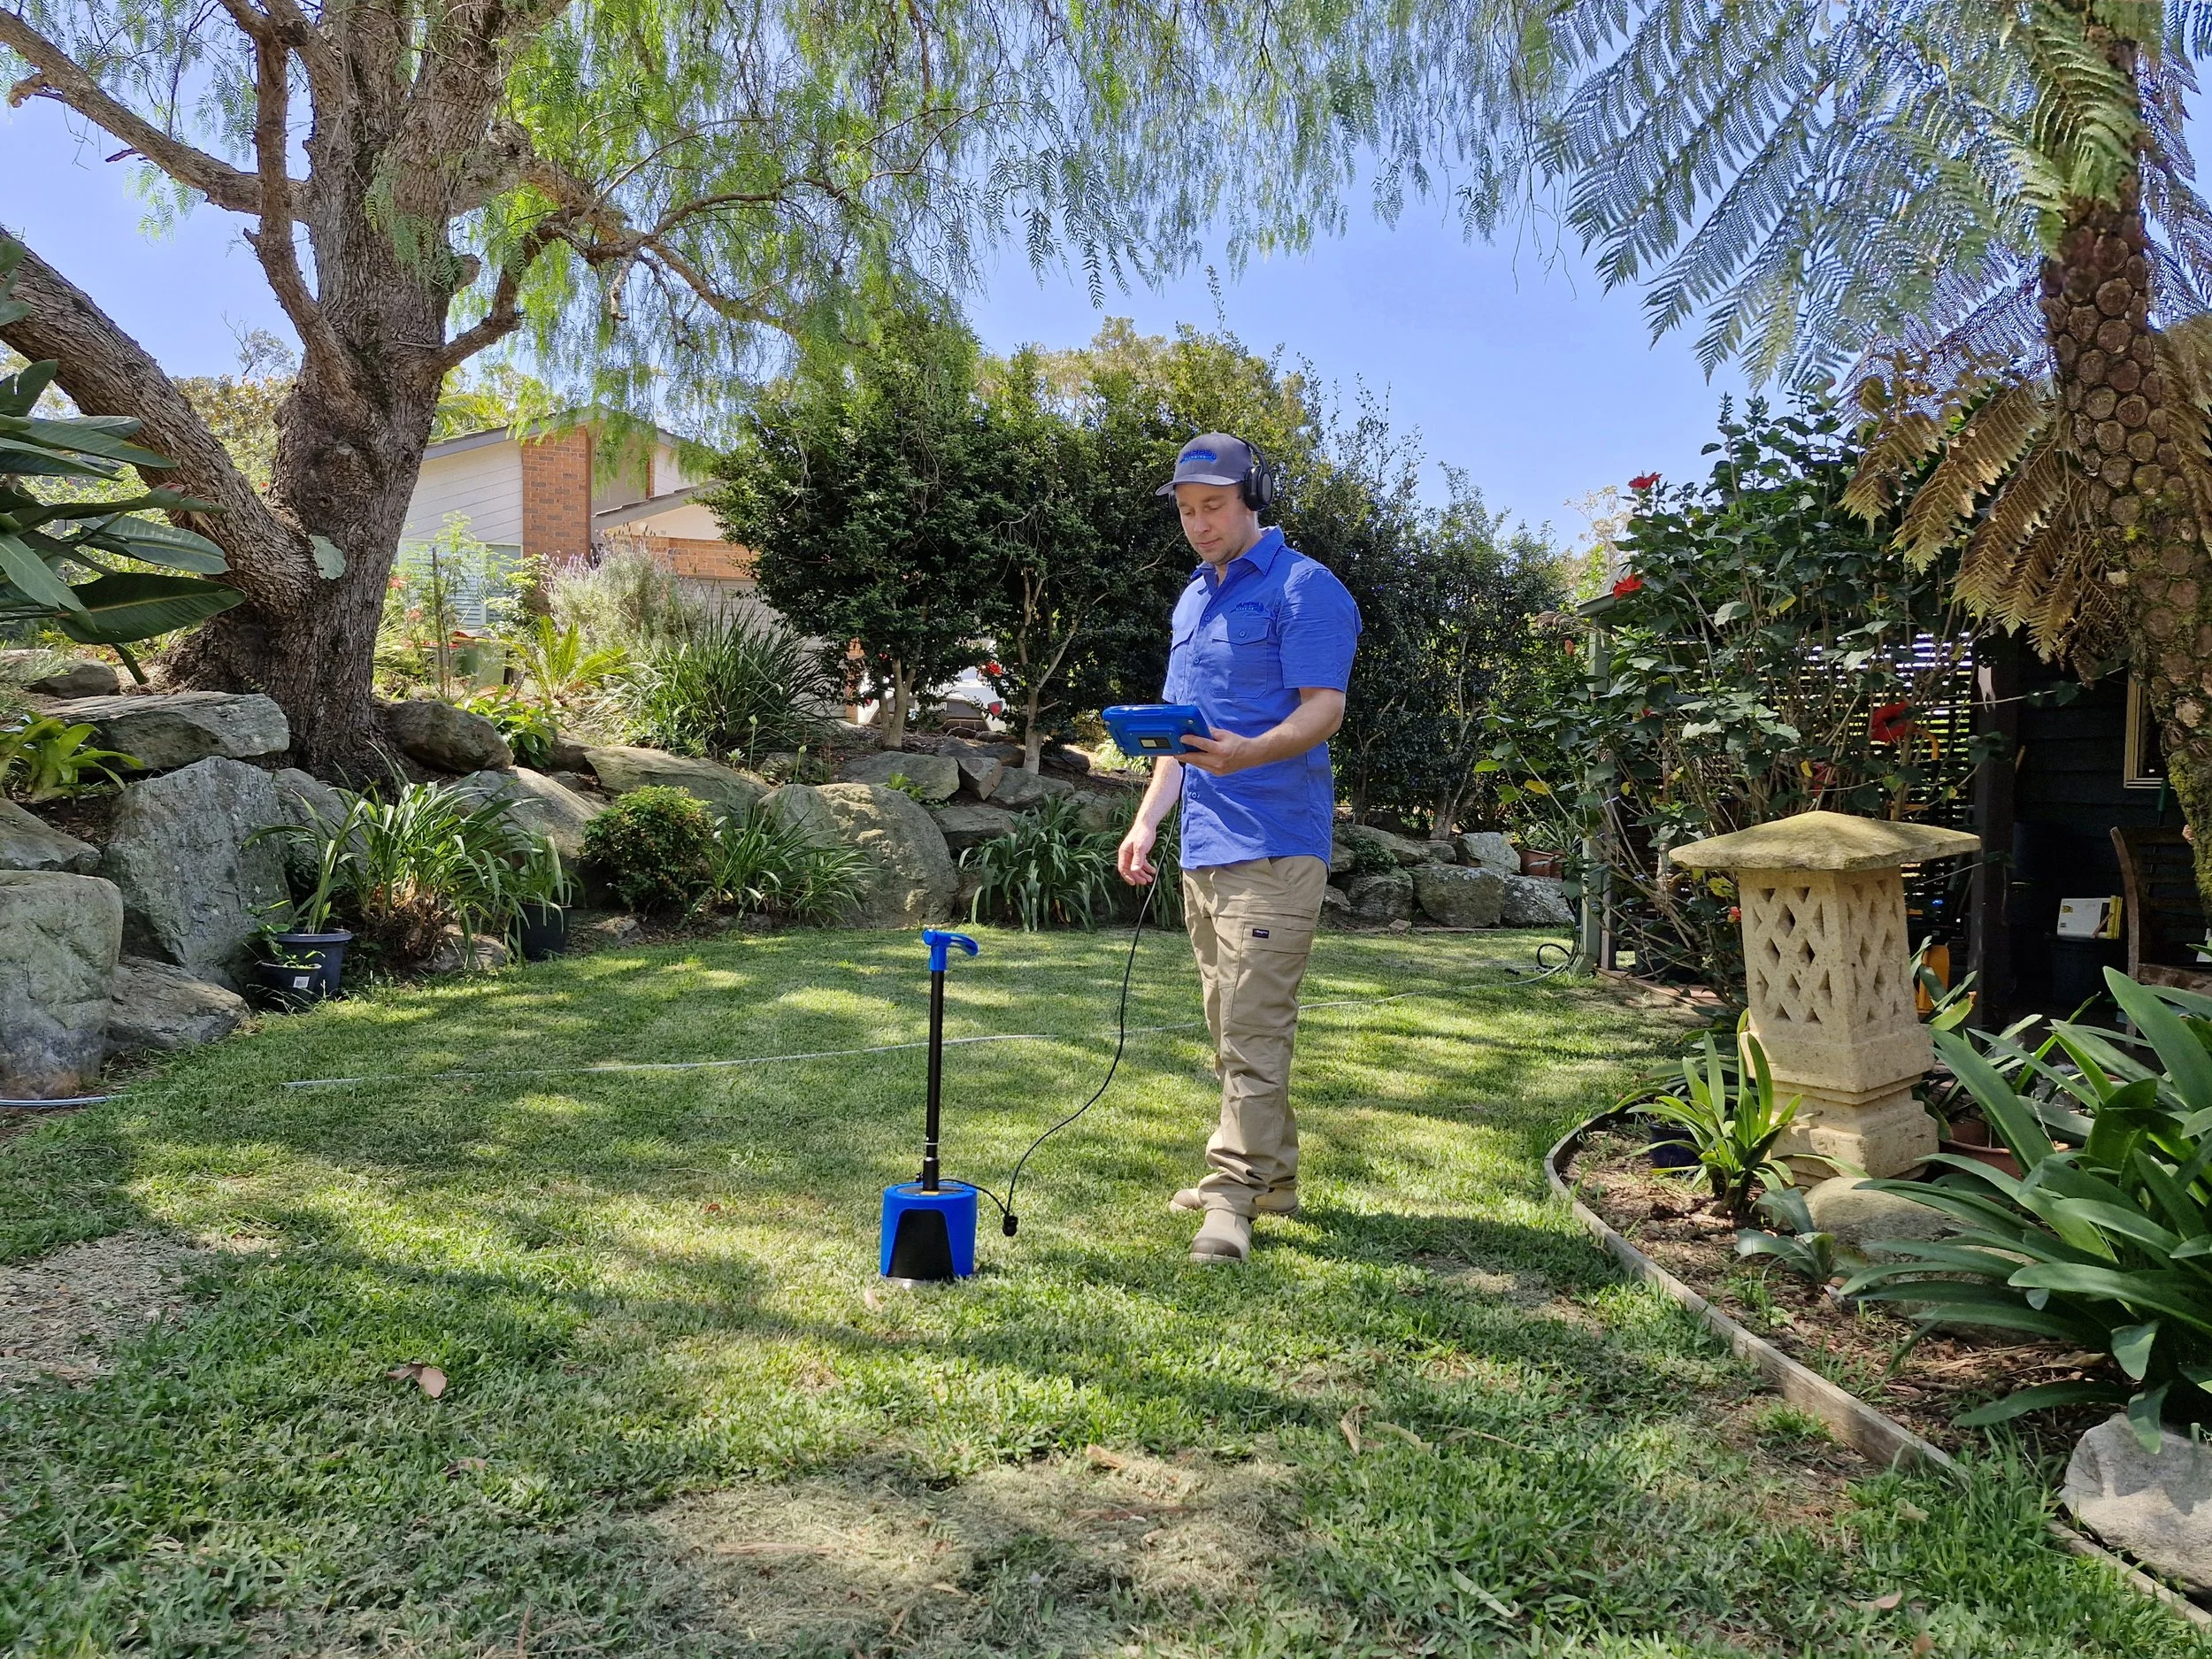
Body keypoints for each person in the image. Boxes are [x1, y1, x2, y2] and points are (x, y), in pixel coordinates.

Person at [1115, 432, 1361, 1263]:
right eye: (1186, 510)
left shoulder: (1305, 588)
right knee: (1231, 1027)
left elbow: (1323, 708)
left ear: (1252, 495)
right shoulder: (1193, 599)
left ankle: (1228, 1199)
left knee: (1254, 1028)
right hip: (1206, 847)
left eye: (1212, 506)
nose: (1198, 524)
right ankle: (1276, 1177)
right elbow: (1178, 737)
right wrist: (1149, 818)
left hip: (1276, 843)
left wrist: (1248, 752)